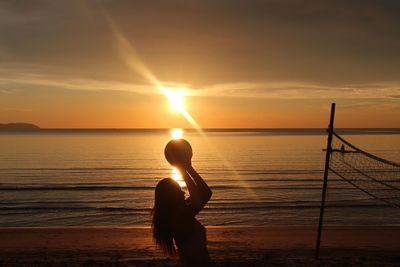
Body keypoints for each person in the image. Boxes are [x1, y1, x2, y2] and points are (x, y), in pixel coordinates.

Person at [152, 140, 213, 266]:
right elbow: (202, 195)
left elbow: (205, 193)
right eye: (179, 191)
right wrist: (184, 168)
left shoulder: (177, 212)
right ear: (171, 197)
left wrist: (186, 167)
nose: (184, 193)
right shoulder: (180, 217)